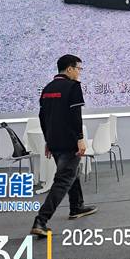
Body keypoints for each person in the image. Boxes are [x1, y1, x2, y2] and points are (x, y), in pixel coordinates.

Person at [31, 54, 97, 237]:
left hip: (54, 141)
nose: (79, 72)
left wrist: (47, 140)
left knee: (70, 173)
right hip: (69, 141)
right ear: (69, 69)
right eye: (78, 69)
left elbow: (42, 117)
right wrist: (80, 138)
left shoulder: (47, 89)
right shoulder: (73, 87)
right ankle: (41, 220)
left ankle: (76, 206)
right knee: (63, 179)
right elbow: (75, 115)